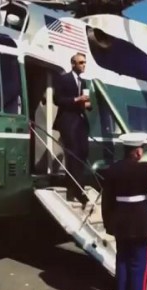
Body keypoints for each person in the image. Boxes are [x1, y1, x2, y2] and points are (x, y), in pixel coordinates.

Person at [101, 132, 147, 290]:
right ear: (138, 152)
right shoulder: (144, 169)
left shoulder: (112, 169)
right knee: (138, 267)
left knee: (122, 264)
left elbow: (107, 200)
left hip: (120, 223)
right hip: (140, 224)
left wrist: (109, 224)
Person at [53, 52, 92, 207]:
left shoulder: (84, 82)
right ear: (73, 64)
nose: (83, 65)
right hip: (67, 120)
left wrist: (87, 105)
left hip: (81, 121)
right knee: (73, 153)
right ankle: (74, 189)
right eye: (81, 62)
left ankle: (78, 186)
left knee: (83, 152)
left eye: (84, 62)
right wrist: (76, 100)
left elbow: (88, 104)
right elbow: (57, 99)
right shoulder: (64, 79)